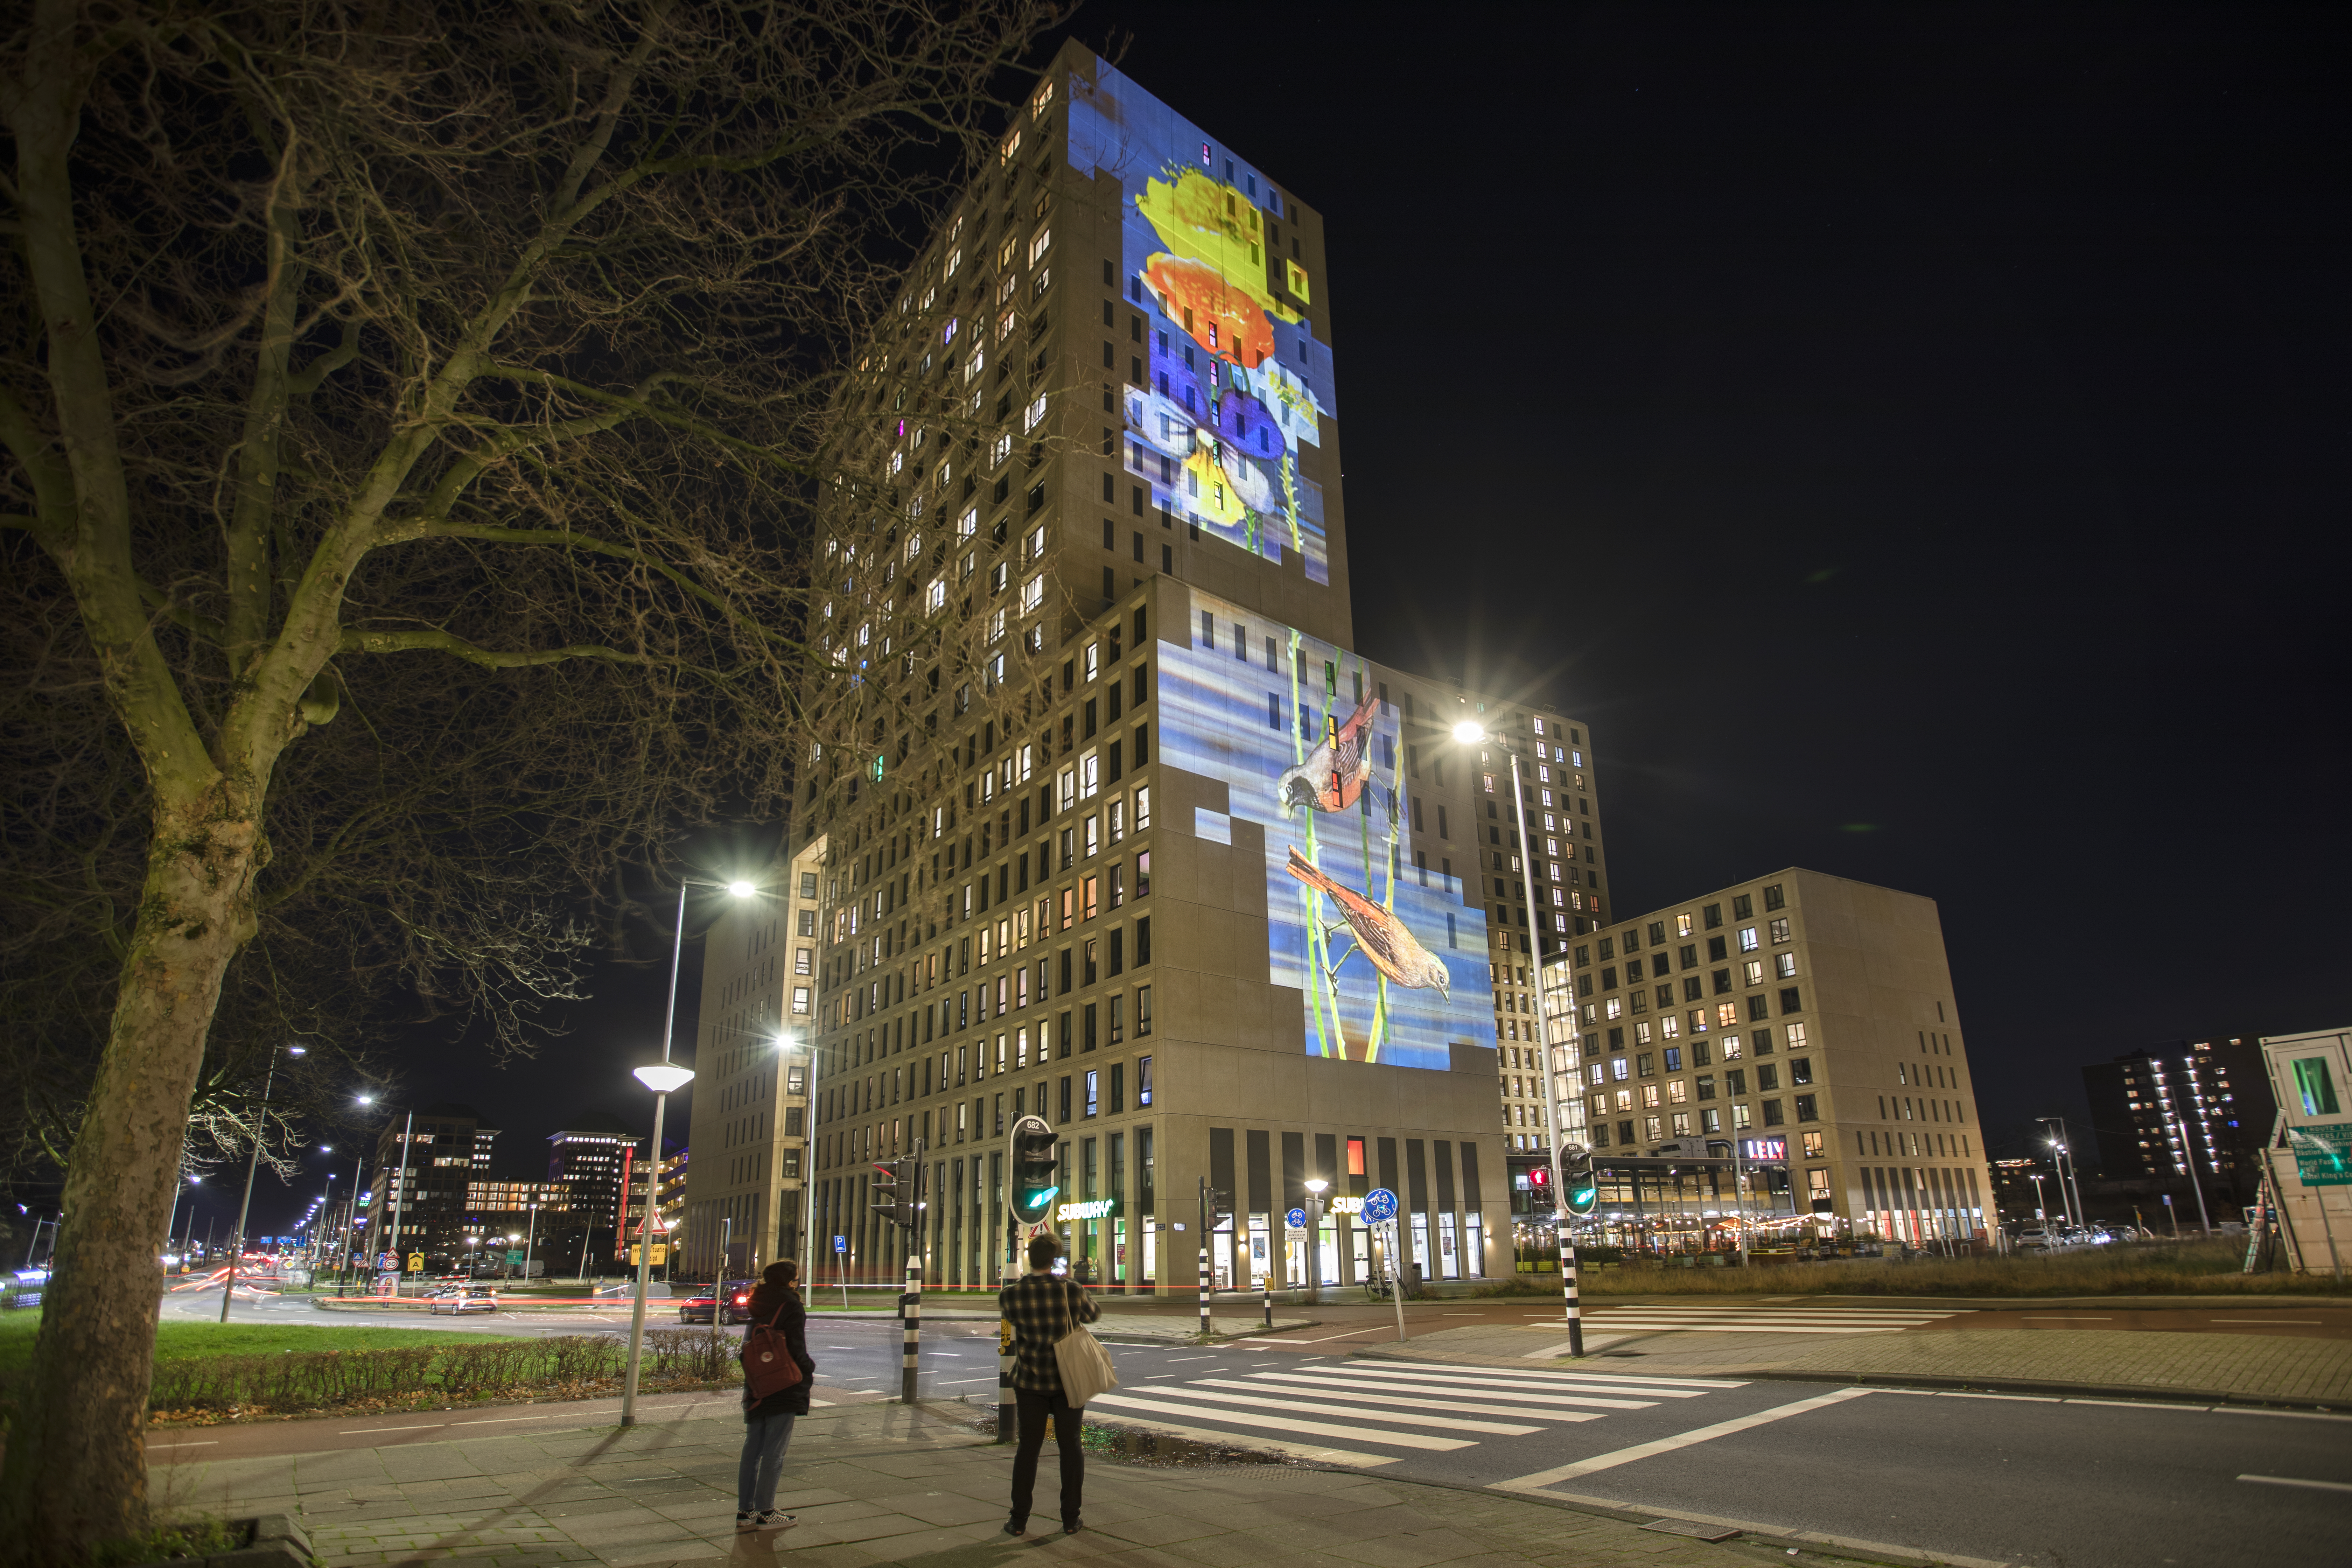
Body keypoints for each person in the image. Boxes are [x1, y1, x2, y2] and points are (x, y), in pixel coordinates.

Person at [997, 1233, 1099, 1536]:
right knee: (1071, 1448)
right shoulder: (1070, 1290)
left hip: (1030, 1381)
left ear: (1030, 1259)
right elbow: (1093, 1315)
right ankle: (1070, 1518)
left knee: (1028, 1449)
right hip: (1068, 1381)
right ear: (1055, 1260)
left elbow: (1012, 1320)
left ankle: (1019, 1520)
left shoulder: (1011, 1295)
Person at [735, 1259, 814, 1532]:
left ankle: (745, 1511)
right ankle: (766, 1511)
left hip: (757, 1382)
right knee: (775, 1450)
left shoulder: (756, 1302)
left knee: (752, 1448)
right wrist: (808, 1371)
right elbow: (796, 1348)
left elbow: (750, 1343)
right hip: (782, 1382)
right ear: (790, 1281)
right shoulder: (791, 1305)